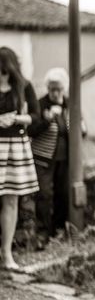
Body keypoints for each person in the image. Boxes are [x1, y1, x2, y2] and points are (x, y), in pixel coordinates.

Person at [28, 67, 86, 246]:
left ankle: (58, 231)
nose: (55, 93)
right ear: (48, 88)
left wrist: (81, 128)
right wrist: (46, 120)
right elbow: (31, 130)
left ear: (64, 88)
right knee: (44, 195)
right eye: (52, 89)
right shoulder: (40, 104)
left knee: (63, 195)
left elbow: (81, 131)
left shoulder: (70, 104)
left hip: (65, 159)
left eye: (58, 89)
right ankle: (43, 234)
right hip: (43, 158)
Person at [0, 46, 40, 270]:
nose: (2, 74)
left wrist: (15, 119)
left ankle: (6, 254)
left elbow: (35, 116)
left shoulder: (24, 86)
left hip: (15, 146)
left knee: (11, 200)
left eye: (5, 69)